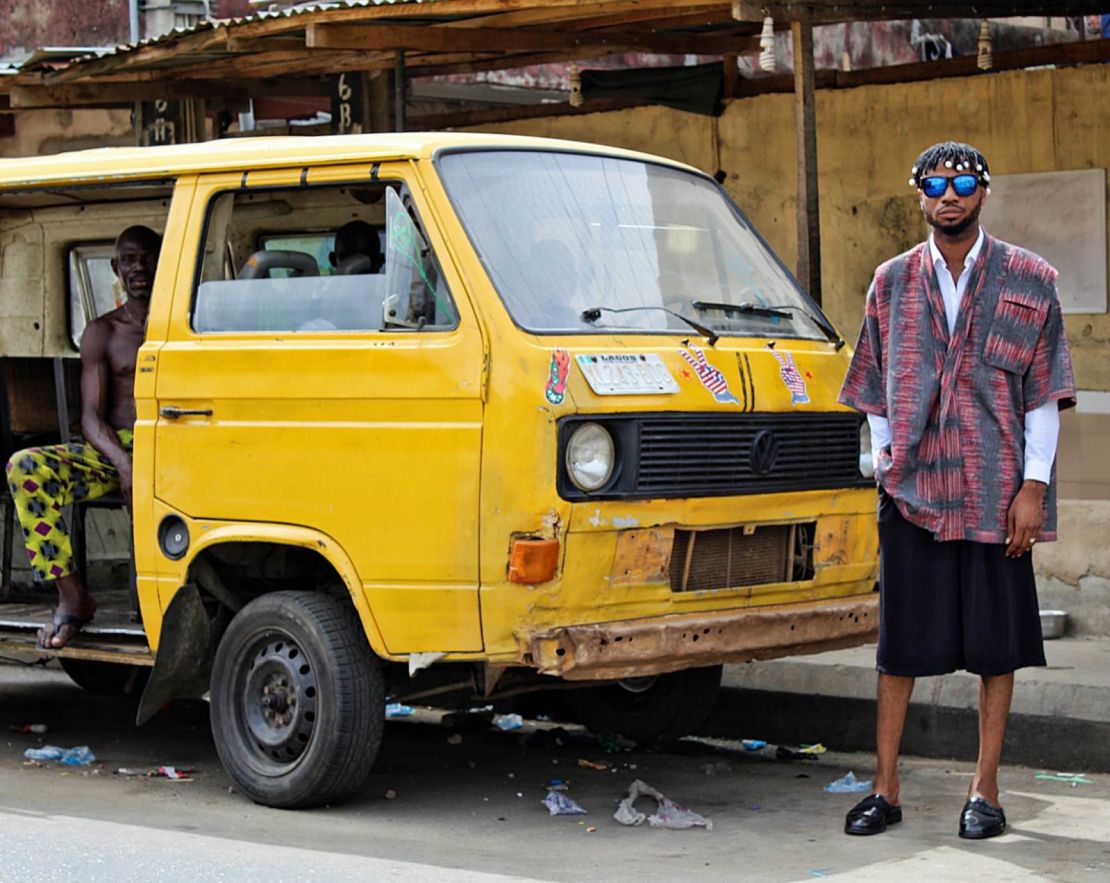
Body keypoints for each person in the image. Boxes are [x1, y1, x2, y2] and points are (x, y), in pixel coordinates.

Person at [838, 141, 1076, 840]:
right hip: (912, 491)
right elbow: (871, 380)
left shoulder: (1029, 279)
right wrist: (885, 455)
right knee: (900, 646)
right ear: (919, 194)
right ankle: (885, 786)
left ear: (983, 191)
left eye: (963, 181)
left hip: (997, 490)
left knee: (995, 646)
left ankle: (986, 789)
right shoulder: (890, 282)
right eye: (935, 183)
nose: (950, 194)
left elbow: (1042, 394)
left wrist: (1033, 487)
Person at [5, 225, 162, 649]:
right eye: (128, 260)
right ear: (115, 268)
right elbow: (91, 419)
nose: (139, 267)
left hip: (171, 446)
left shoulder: (188, 324)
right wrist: (123, 463)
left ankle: (162, 598)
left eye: (147, 256)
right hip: (114, 450)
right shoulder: (103, 332)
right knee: (25, 467)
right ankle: (73, 597)